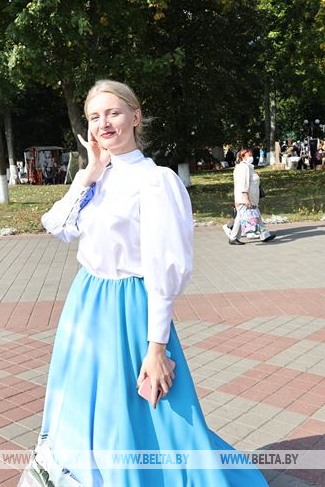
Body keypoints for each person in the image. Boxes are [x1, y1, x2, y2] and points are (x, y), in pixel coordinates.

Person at [21, 80, 267, 487]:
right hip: (86, 305)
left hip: (129, 310)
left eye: (113, 113)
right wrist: (89, 173)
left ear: (135, 117)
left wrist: (156, 347)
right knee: (85, 407)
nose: (104, 124)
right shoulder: (97, 177)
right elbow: (57, 226)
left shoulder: (156, 181)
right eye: (94, 117)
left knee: (138, 411)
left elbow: (163, 270)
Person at [224, 149, 274, 245]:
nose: (251, 157)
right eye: (249, 155)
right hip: (245, 198)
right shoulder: (244, 167)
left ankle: (264, 235)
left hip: (248, 197)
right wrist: (246, 198)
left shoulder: (246, 167)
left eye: (251, 155)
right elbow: (244, 183)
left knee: (252, 215)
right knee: (244, 217)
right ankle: (234, 238)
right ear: (242, 157)